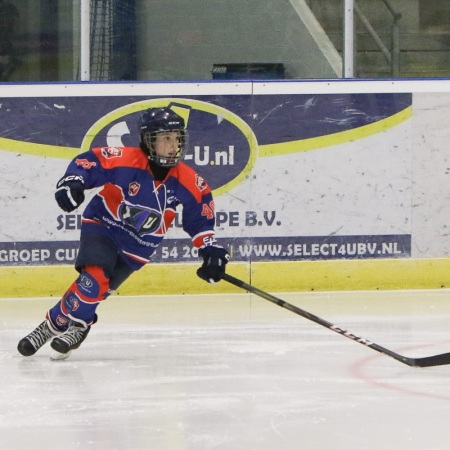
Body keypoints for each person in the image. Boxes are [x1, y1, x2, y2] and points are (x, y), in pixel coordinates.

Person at [17, 106, 230, 360]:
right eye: (165, 139)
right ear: (148, 142)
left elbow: (201, 222)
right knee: (93, 280)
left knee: (97, 291)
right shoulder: (126, 160)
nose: (173, 146)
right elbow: (89, 162)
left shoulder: (189, 181)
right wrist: (73, 181)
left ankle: (54, 322)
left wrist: (211, 252)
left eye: (176, 138)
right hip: (103, 225)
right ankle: (81, 326)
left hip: (138, 248)